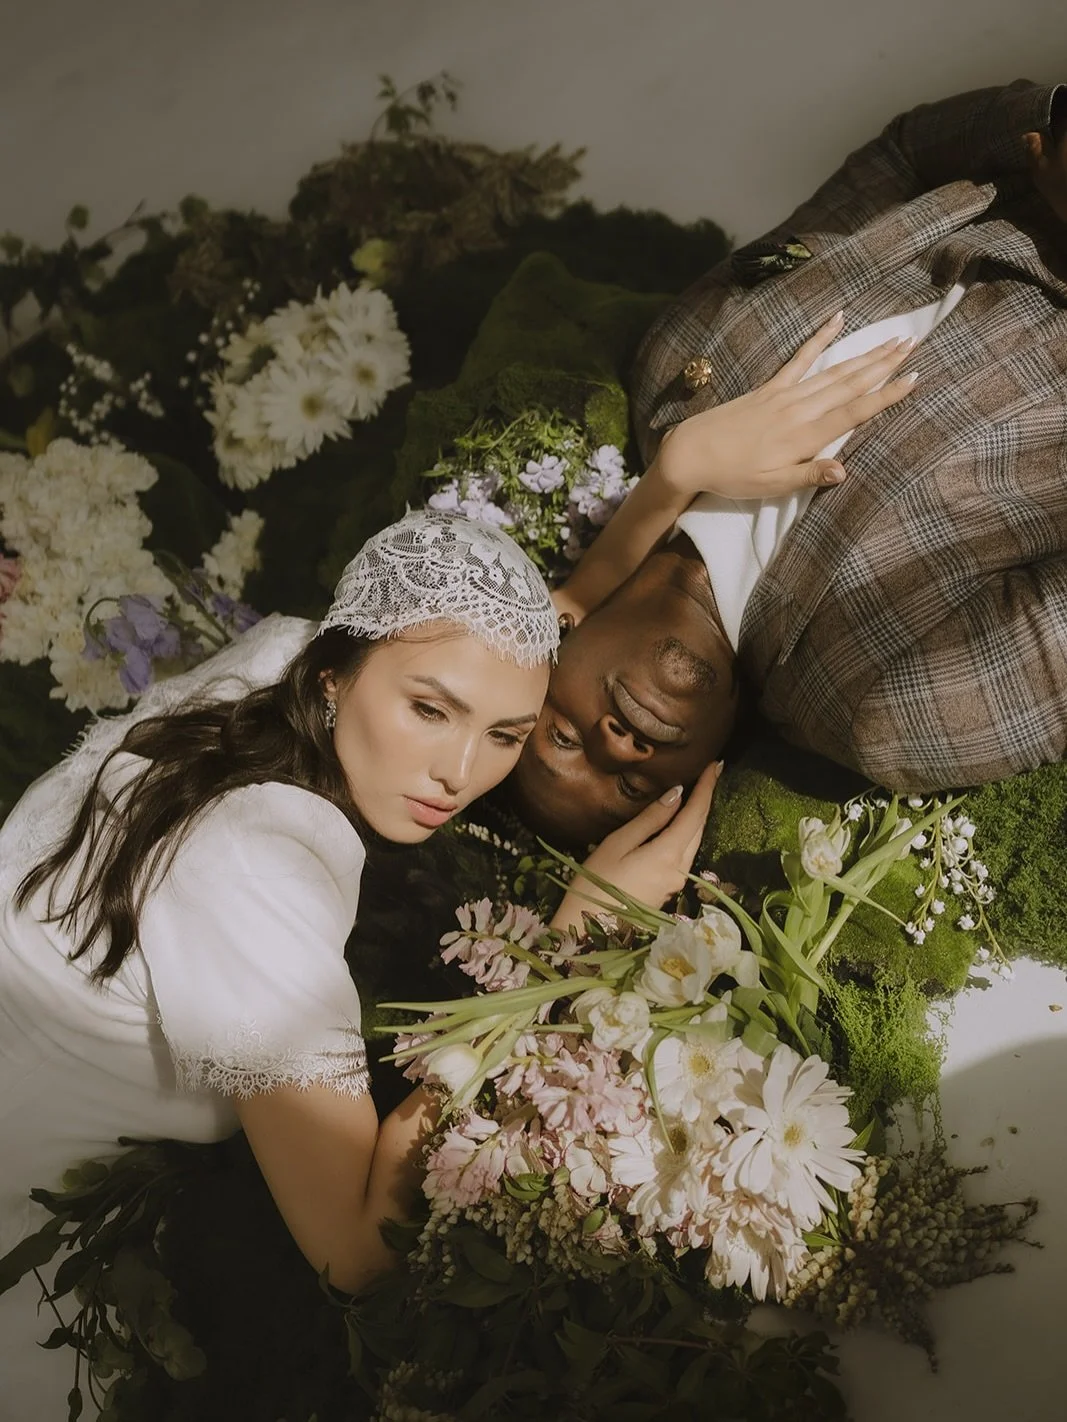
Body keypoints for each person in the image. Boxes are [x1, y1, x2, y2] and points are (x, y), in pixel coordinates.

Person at [0, 510, 715, 1419]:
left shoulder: (279, 655)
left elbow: (483, 649)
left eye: (507, 735)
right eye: (428, 711)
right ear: (337, 676)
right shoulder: (257, 868)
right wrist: (573, 935)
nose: (457, 772)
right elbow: (354, 1247)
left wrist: (674, 483)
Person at [512, 78, 1067, 848]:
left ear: (553, 635)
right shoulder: (884, 712)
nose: (616, 746)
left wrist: (1044, 130)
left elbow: (900, 158)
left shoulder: (676, 372)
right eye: (631, 787)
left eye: (562, 738)